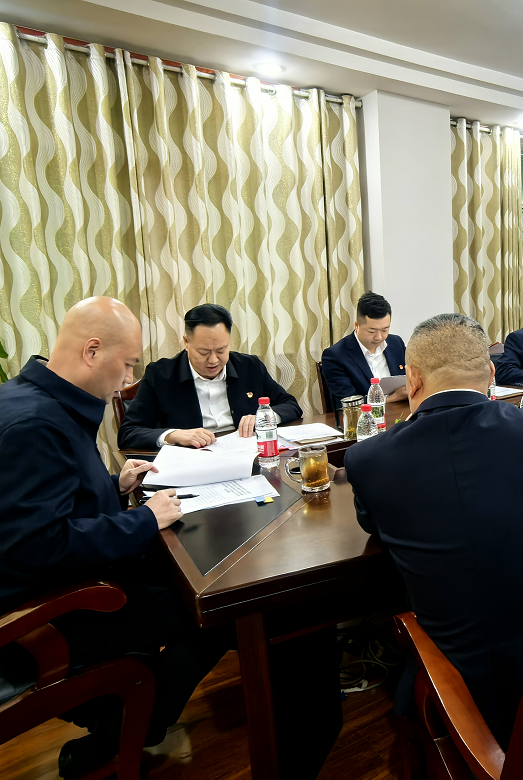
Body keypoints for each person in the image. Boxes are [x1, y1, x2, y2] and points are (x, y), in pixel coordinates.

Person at [345, 313, 523, 744]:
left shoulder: (369, 459)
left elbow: (372, 524)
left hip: (458, 670)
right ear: (490, 373)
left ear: (412, 378)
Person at [0, 297, 230, 777]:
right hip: (51, 613)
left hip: (67, 582)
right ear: (92, 351)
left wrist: (113, 486)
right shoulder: (35, 425)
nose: (128, 380)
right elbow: (40, 544)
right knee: (214, 609)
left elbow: (47, 503)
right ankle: (124, 730)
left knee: (189, 580)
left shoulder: (27, 398)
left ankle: (124, 720)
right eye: (127, 365)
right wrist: (144, 519)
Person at [118, 304, 302, 450]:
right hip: (192, 464)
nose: (213, 360)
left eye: (221, 350)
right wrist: (173, 435)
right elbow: (128, 433)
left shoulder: (249, 366)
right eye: (204, 352)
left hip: (247, 456)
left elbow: (290, 405)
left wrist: (265, 417)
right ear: (186, 342)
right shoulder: (160, 375)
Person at [321, 291, 408, 408]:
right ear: (357, 325)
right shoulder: (335, 356)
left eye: (385, 330)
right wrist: (391, 399)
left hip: (402, 413)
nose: (379, 337)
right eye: (372, 331)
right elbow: (347, 402)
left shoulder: (396, 343)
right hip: (363, 417)